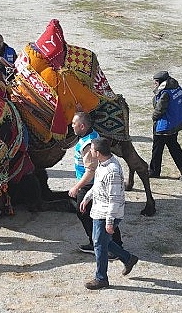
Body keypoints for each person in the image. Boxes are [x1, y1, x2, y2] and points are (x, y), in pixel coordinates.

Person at [80, 137, 139, 290]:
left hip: (106, 213)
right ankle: (128, 258)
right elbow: (98, 185)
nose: (90, 151)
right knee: (101, 241)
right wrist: (87, 198)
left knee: (99, 244)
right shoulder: (102, 164)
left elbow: (114, 198)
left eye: (92, 149)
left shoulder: (112, 171)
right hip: (99, 210)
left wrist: (110, 221)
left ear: (98, 153)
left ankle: (101, 278)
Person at [69, 111, 122, 255]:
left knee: (86, 213)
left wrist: (77, 187)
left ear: (82, 126)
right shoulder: (89, 136)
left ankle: (107, 246)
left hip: (89, 184)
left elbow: (90, 170)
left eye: (74, 123)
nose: (72, 126)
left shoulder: (88, 144)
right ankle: (110, 244)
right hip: (90, 183)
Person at [149, 71, 182, 181]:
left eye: (156, 82)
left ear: (160, 82)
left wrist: (154, 117)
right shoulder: (176, 88)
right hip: (175, 123)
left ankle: (154, 171)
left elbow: (159, 109)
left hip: (163, 126)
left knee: (157, 149)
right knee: (175, 148)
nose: (155, 84)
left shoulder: (164, 93)